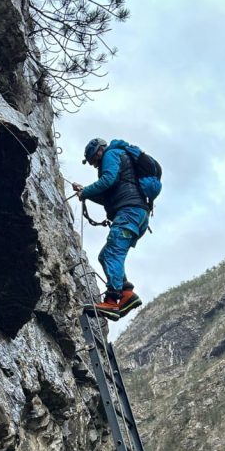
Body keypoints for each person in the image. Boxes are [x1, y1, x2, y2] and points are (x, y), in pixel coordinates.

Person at [73, 137, 150, 321]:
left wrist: (86, 191)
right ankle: (126, 295)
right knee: (105, 255)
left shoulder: (111, 154)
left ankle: (112, 299)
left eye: (93, 160)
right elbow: (107, 197)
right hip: (135, 214)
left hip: (128, 213)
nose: (93, 165)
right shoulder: (119, 161)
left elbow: (108, 180)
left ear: (98, 151)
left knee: (111, 255)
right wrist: (86, 192)